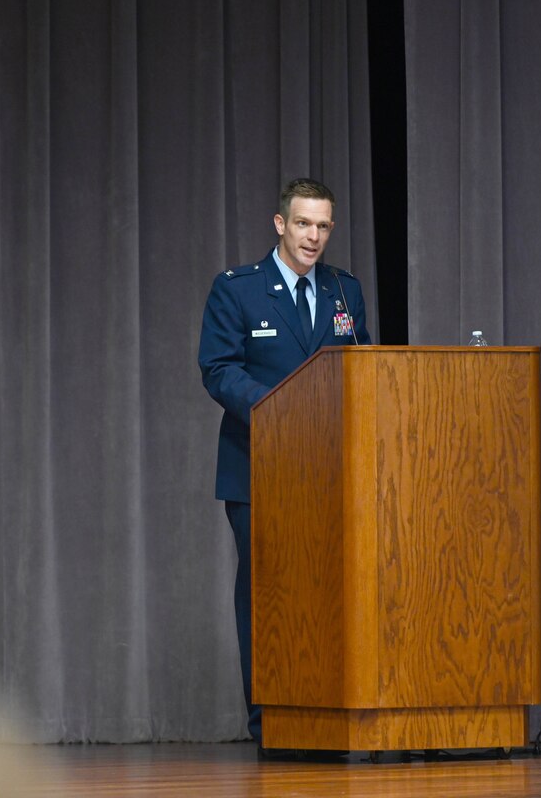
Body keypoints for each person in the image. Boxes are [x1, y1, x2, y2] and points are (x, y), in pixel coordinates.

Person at [197, 178, 371, 744]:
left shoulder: (344, 290)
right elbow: (219, 369)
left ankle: (324, 716)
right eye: (302, 224)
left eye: (322, 226)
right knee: (268, 595)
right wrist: (281, 410)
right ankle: (270, 722)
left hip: (332, 471)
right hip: (261, 468)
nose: (312, 236)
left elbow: (363, 366)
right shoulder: (239, 289)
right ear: (280, 224)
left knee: (330, 592)